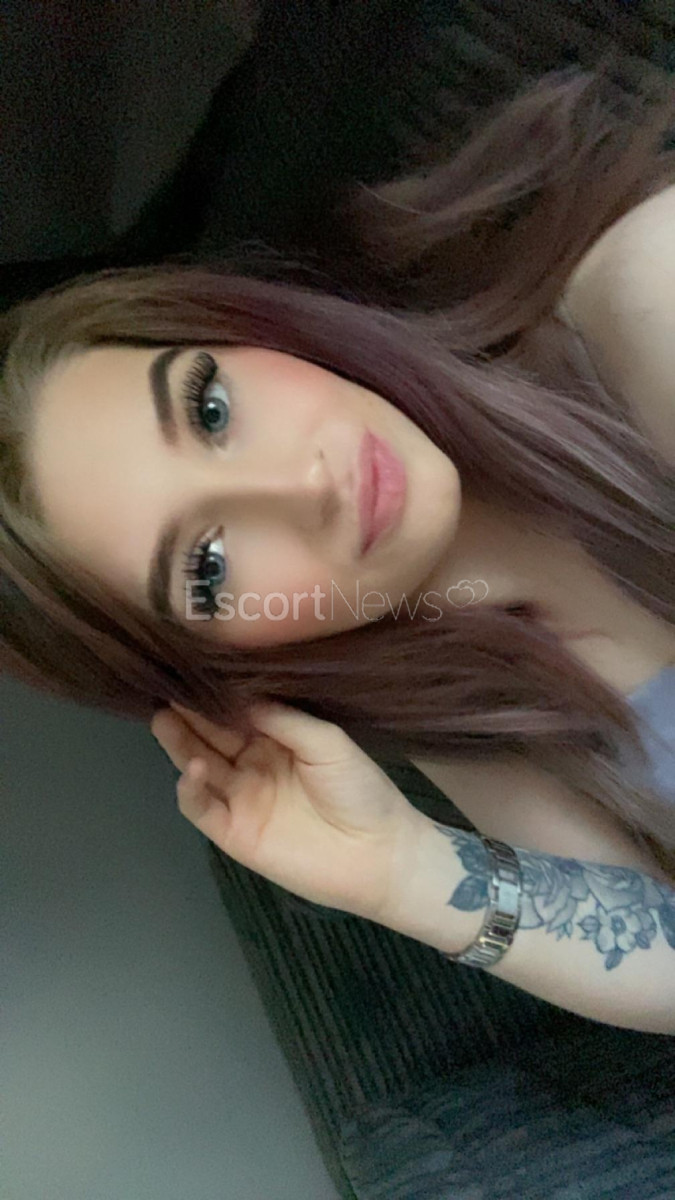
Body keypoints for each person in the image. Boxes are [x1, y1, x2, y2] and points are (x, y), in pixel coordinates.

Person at [1, 63, 674, 1031]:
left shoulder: (645, 296)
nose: (305, 488)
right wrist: (405, 871)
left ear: (237, 328)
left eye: (211, 409)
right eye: (208, 567)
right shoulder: (451, 683)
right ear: (226, 658)